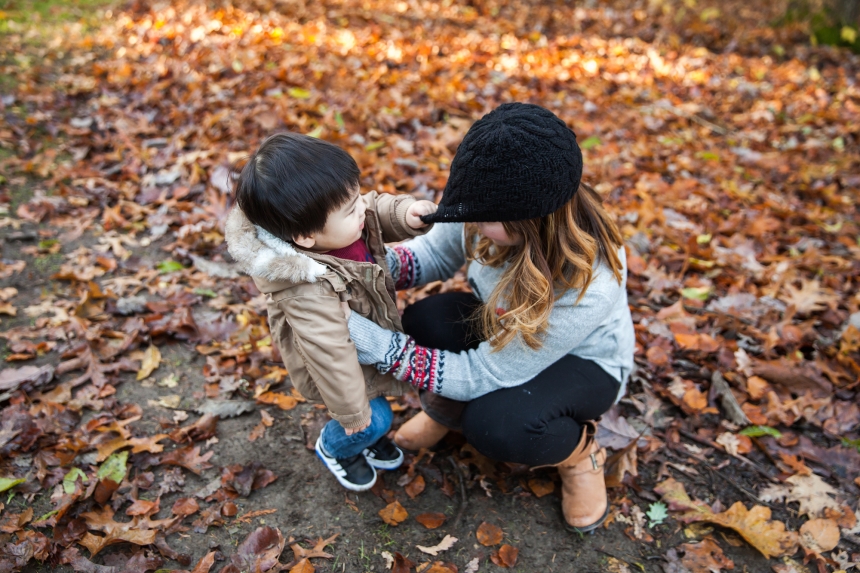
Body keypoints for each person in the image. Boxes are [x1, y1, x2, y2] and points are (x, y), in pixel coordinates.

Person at [343, 103, 635, 532]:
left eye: (484, 219)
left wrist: (386, 350)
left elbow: (487, 371)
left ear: (533, 220)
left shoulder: (591, 280)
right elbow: (436, 253)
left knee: (498, 426)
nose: (470, 223)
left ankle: (579, 455)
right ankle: (447, 411)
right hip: (505, 327)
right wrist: (360, 274)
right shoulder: (483, 198)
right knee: (428, 320)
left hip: (585, 364)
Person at [224, 132, 437, 492]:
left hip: (362, 330)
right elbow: (329, 351)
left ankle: (367, 435)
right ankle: (339, 446)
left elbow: (372, 208)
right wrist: (353, 412)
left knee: (376, 404)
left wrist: (405, 214)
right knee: (375, 416)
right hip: (338, 359)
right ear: (305, 236)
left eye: (356, 197)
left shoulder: (336, 224)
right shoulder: (304, 288)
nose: (362, 210)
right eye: (351, 208)